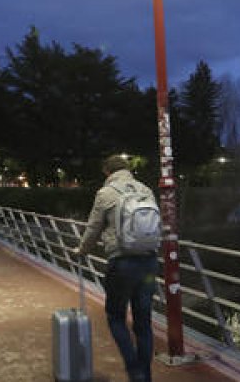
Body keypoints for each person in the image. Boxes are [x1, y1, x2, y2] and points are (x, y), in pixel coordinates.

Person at [74, 154, 159, 382]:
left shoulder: (106, 193)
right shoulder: (146, 190)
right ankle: (145, 376)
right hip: (150, 263)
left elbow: (93, 228)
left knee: (115, 316)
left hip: (122, 264)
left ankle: (133, 370)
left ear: (107, 172)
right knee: (143, 322)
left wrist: (82, 251)